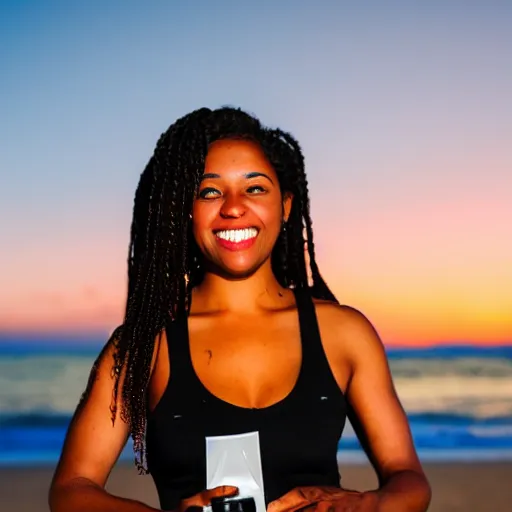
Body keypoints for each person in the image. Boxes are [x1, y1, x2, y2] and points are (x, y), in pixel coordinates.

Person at [48, 107, 431, 512]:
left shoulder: (344, 333)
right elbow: (71, 489)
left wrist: (367, 506)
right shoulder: (147, 343)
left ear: (284, 207)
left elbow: (408, 478)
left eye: (255, 188)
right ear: (185, 211)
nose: (233, 207)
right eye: (210, 191)